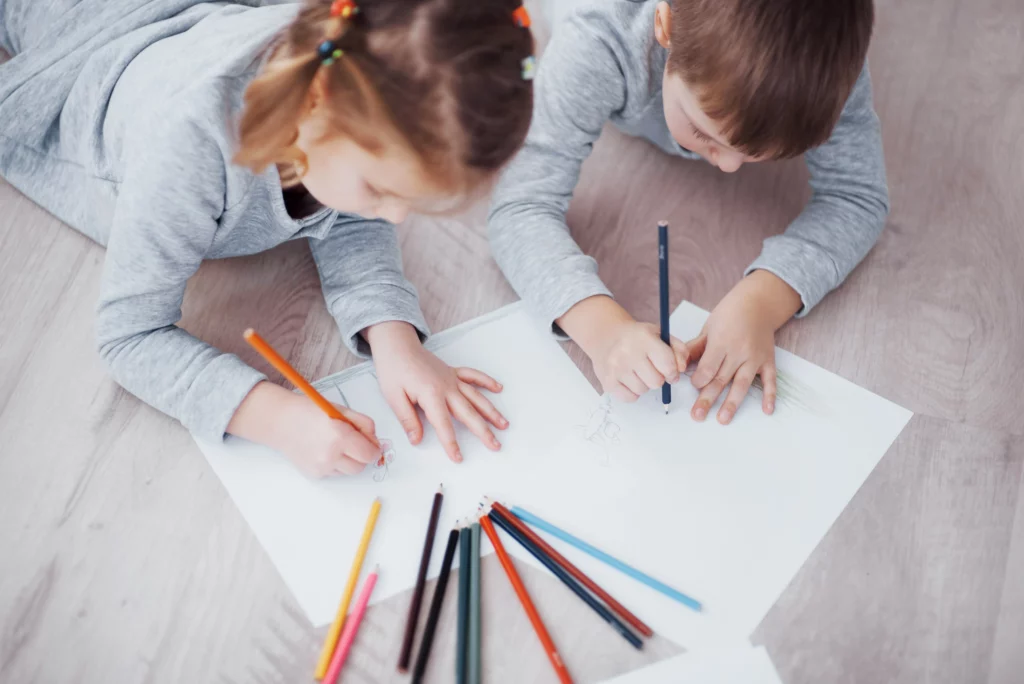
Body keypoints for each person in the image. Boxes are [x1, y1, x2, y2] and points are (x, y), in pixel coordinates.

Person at [0, 0, 535, 476]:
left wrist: (394, 338)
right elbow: (128, 337)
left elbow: (345, 217)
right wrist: (276, 418)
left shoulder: (340, 60)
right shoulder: (185, 151)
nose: (395, 218)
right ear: (316, 103)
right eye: (380, 188)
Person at [489, 0, 887, 424]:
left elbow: (857, 197)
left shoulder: (824, 70)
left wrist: (762, 302)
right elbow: (519, 206)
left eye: (757, 155)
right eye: (703, 131)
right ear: (665, 25)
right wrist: (601, 330)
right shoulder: (598, 39)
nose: (728, 166)